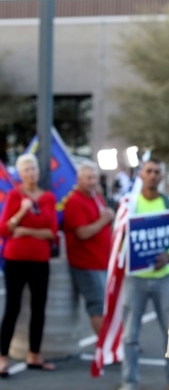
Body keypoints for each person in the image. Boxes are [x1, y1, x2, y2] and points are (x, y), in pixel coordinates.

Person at [119, 158, 169, 390]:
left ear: (161, 176)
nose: (153, 175)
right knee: (130, 334)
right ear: (140, 175)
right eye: (148, 171)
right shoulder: (130, 204)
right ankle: (129, 381)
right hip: (135, 278)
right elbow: (119, 239)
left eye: (157, 171)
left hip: (164, 278)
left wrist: (167, 256)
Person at [0, 154, 59, 377]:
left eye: (33, 168)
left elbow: (51, 232)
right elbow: (5, 229)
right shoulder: (15, 196)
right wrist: (22, 211)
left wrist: (25, 231)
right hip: (15, 259)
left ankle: (34, 354)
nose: (31, 173)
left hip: (40, 260)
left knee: (38, 307)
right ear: (20, 173)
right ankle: (2, 356)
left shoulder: (48, 198)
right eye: (26, 169)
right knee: (12, 307)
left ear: (38, 171)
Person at [62, 160, 114, 335]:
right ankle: (103, 344)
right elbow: (82, 233)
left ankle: (108, 342)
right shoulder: (75, 202)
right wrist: (104, 220)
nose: (93, 182)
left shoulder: (95, 196)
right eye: (89, 178)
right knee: (97, 304)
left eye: (95, 178)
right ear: (79, 179)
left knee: (105, 303)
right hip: (87, 263)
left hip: (101, 260)